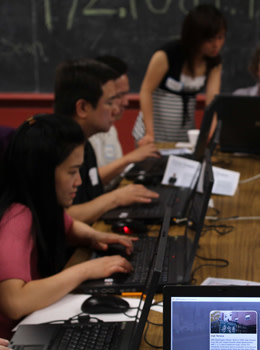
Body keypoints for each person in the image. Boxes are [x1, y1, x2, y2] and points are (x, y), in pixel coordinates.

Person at [0, 114, 134, 339]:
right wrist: (86, 270)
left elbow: (68, 226)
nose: (79, 181)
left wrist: (94, 236)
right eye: (72, 172)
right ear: (42, 174)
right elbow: (14, 302)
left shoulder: (40, 204)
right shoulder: (16, 218)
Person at [54, 58, 159, 224]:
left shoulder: (85, 146)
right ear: (82, 108)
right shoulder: (54, 149)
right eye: (109, 102)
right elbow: (61, 217)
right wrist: (116, 198)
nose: (116, 109)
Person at [132, 4, 226, 145]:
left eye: (221, 37)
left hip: (183, 133)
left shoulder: (214, 63)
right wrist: (149, 132)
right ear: (195, 36)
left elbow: (212, 102)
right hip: (153, 130)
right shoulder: (167, 55)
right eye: (210, 40)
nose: (217, 45)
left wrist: (210, 134)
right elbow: (146, 91)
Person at [89, 55, 159, 191]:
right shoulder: (85, 135)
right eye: (117, 96)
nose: (126, 102)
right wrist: (130, 158)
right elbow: (89, 181)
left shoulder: (110, 126)